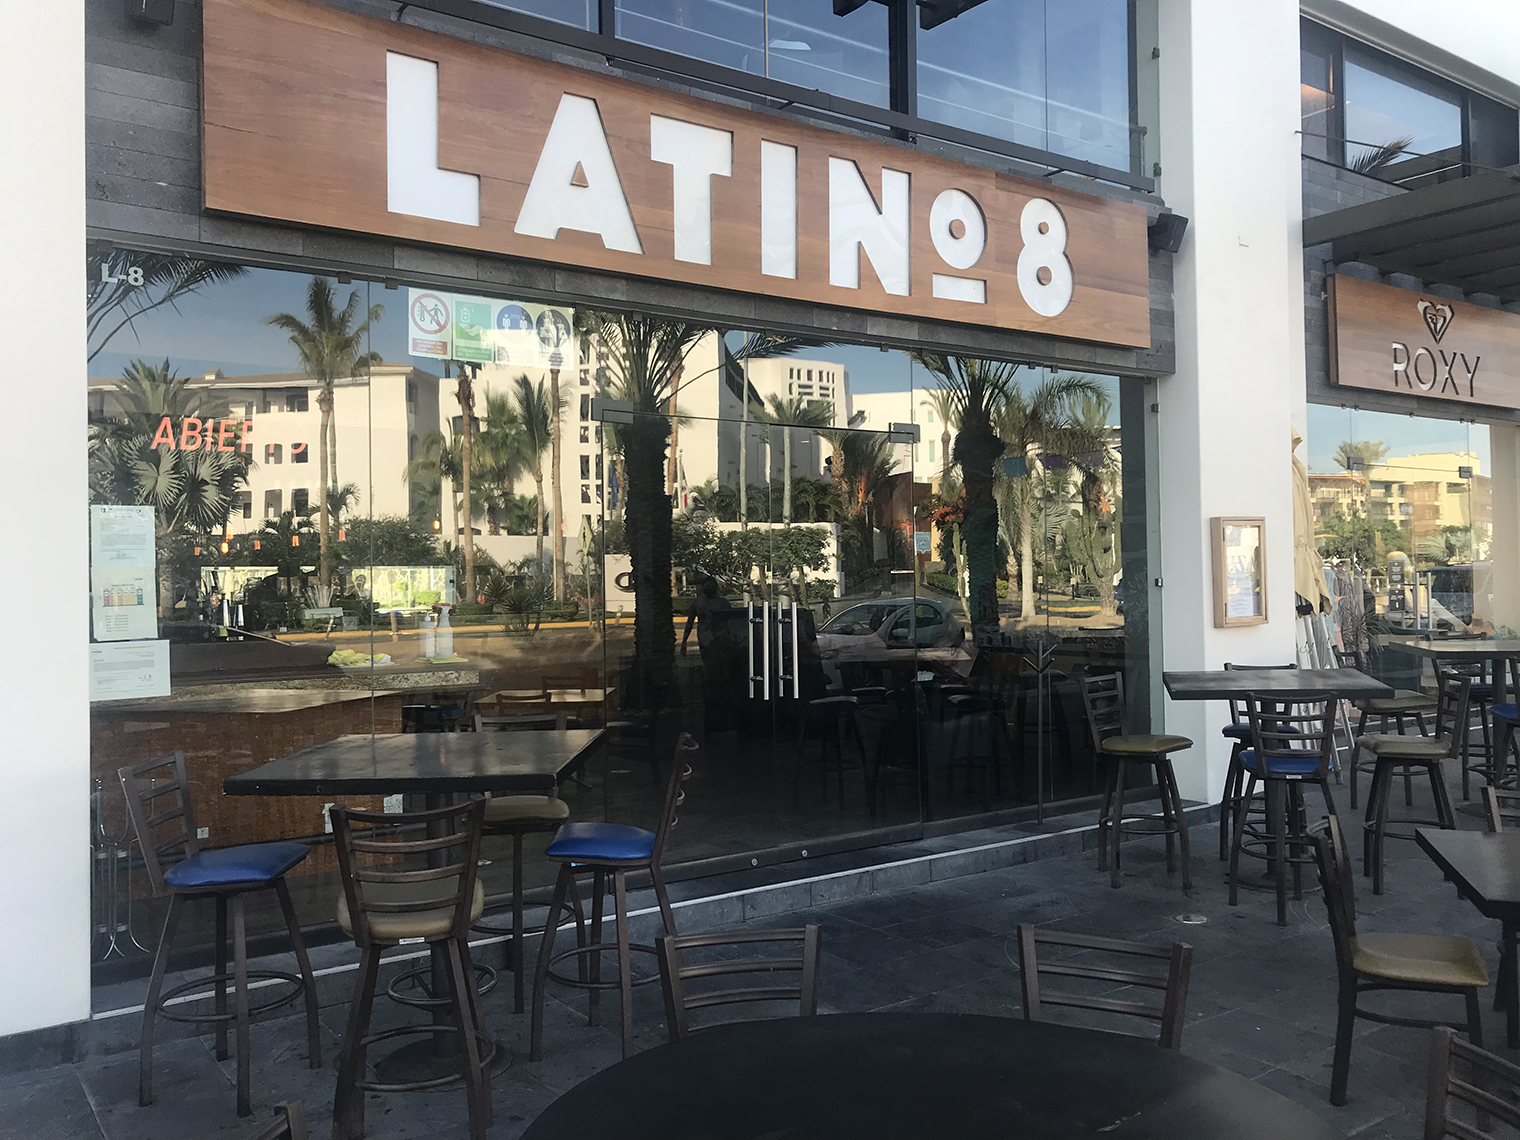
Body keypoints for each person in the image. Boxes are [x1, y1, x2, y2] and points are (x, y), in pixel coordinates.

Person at [681, 577, 731, 656]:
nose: (710, 588)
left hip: (721, 638)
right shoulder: (696, 603)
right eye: (707, 586)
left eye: (712, 586)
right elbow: (689, 623)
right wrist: (684, 642)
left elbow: (731, 622)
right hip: (704, 639)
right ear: (702, 587)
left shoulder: (724, 603)